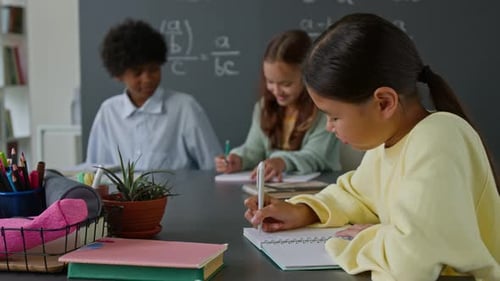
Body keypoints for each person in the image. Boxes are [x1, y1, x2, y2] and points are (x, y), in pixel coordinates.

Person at [244, 13, 499, 281]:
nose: (329, 127)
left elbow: (412, 261)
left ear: (384, 103)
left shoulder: (439, 137)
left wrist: (368, 236)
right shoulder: (388, 142)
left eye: (334, 116)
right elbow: (356, 195)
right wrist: (302, 211)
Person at [85, 18, 222, 170]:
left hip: (180, 193)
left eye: (154, 69)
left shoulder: (184, 108)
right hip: (122, 194)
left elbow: (213, 166)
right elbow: (96, 170)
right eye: (137, 73)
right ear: (118, 75)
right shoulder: (108, 112)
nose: (147, 79)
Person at [215, 29, 341, 182]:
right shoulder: (264, 107)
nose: (276, 91)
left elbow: (317, 156)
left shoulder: (324, 109)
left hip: (320, 189)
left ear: (308, 76)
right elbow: (254, 149)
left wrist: (281, 162)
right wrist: (238, 159)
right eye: (270, 82)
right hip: (273, 189)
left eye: (286, 84)